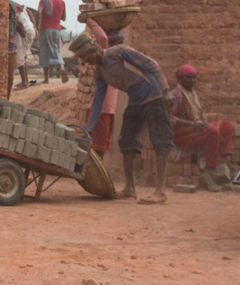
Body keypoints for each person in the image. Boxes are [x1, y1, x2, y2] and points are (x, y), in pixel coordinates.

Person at [70, 31, 173, 204]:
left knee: (160, 141)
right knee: (126, 142)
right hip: (135, 102)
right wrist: (88, 129)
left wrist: (165, 90)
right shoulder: (99, 73)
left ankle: (160, 191)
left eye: (84, 57)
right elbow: (97, 103)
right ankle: (130, 188)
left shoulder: (118, 52)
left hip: (153, 96)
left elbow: (151, 65)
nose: (84, 62)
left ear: (92, 50)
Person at [170, 65, 234, 185]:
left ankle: (223, 160)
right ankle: (211, 167)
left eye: (194, 77)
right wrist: (192, 124)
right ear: (180, 79)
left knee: (226, 126)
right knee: (212, 132)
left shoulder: (193, 94)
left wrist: (207, 125)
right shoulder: (175, 95)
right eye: (188, 77)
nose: (192, 80)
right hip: (180, 132)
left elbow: (201, 115)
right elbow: (168, 118)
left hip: (195, 126)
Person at [84, 21, 121, 154]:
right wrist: (90, 20)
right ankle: (94, 174)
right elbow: (103, 38)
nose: (118, 46)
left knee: (103, 147)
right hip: (101, 112)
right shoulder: (105, 57)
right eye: (115, 43)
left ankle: (98, 173)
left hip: (109, 110)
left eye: (119, 43)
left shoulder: (118, 60)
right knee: (97, 149)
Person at [37, 0, 66, 83]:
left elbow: (39, 11)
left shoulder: (44, 0)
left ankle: (46, 79)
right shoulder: (62, 2)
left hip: (46, 29)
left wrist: (38, 25)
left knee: (45, 52)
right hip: (57, 30)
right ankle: (62, 67)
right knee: (56, 50)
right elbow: (64, 18)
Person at [7, 0, 33, 96]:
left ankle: (7, 97)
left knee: (10, 79)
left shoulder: (15, 21)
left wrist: (20, 23)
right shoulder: (2, 21)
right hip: (4, 54)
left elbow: (23, 34)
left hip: (12, 53)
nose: (8, 11)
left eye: (10, 9)